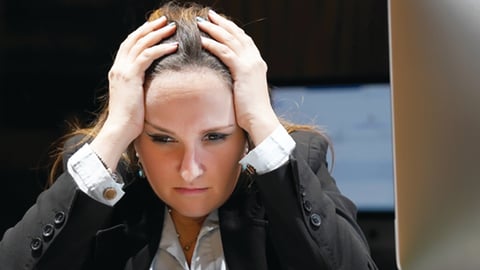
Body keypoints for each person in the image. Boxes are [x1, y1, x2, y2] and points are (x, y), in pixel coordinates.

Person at [0, 1, 378, 269]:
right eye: (162, 139)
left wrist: (263, 123)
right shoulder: (102, 171)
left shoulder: (296, 163)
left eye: (215, 137)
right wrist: (114, 132)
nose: (190, 170)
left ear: (245, 133)